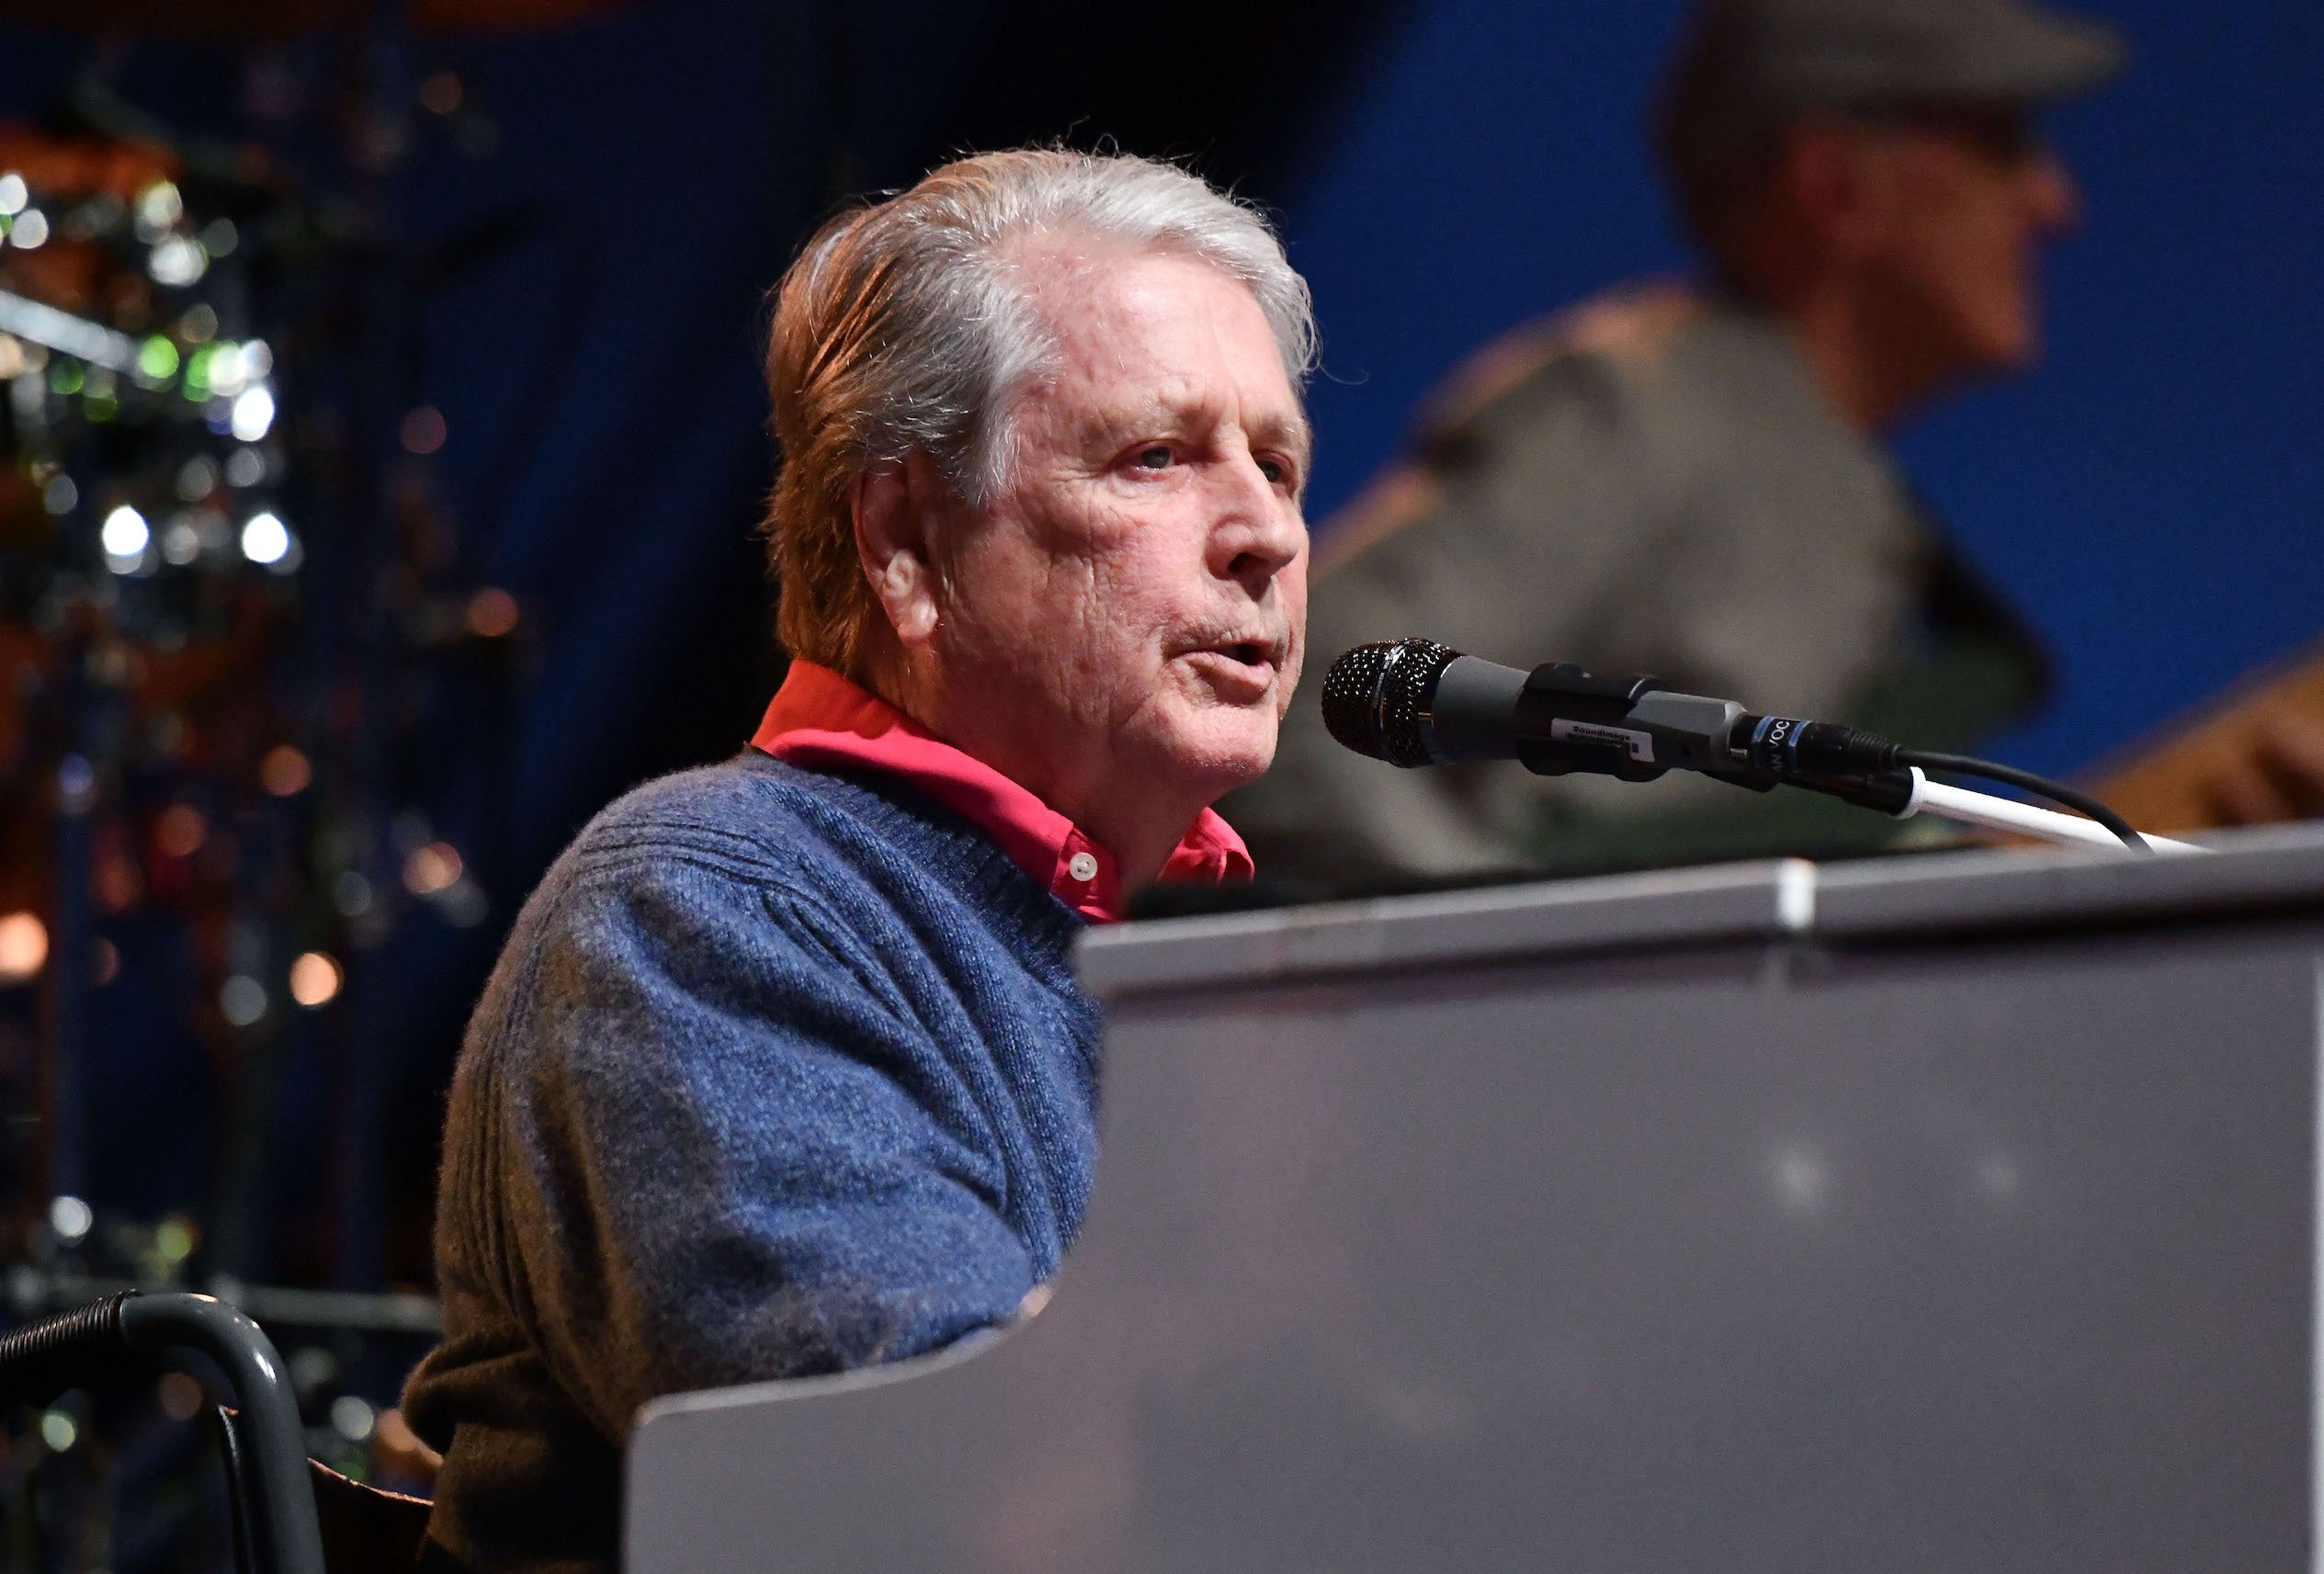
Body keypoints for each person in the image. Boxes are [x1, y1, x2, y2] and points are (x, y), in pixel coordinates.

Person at [398, 148, 1315, 1573]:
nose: (1264, 533)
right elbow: (945, 1505)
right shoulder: (704, 910)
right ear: (902, 542)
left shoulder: (1215, 972)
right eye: (1158, 456)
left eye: (1278, 462)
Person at [1230, 0, 2126, 886]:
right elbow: (1315, 705)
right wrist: (1543, 957)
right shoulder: (1645, 405)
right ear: (1838, 186)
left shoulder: (1835, 490)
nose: (2056, 203)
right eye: (2004, 145)